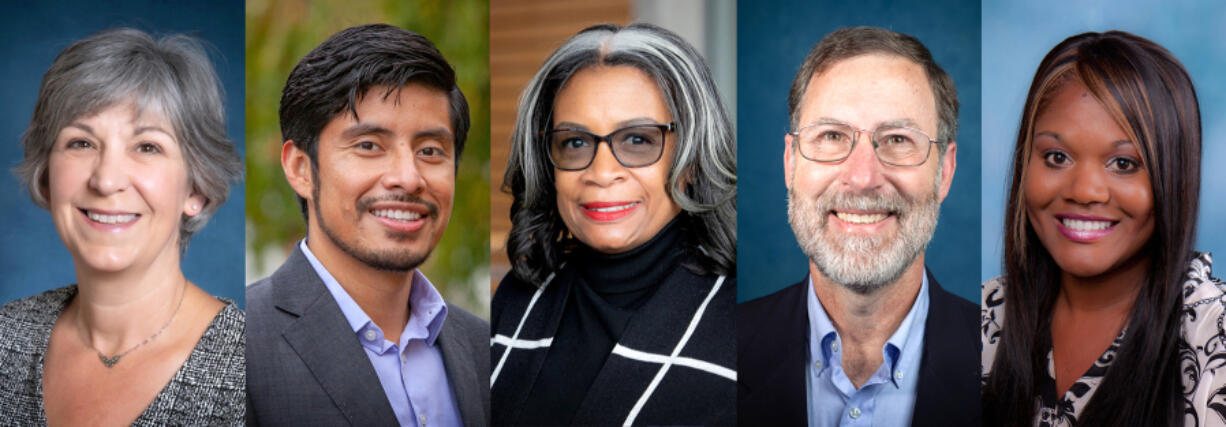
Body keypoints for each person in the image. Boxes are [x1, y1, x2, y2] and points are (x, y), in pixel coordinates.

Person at [489, 23, 736, 425]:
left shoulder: (743, 319)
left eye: (637, 140)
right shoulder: (516, 300)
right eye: (575, 142)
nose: (602, 173)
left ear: (690, 159)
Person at [245, 24, 488, 426]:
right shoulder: (241, 348)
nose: (408, 178)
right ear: (301, 169)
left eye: (430, 151)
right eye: (369, 146)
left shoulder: (482, 347)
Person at [736, 27, 980, 426]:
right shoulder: (724, 349)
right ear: (790, 163)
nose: (863, 177)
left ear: (946, 171)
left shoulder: (1001, 361)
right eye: (832, 136)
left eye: (898, 139)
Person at [0, 28, 244, 424]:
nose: (106, 179)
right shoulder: (6, 336)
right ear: (47, 175)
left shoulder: (249, 364)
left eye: (147, 146)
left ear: (196, 188)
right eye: (81, 143)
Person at [981, 31, 1224, 427]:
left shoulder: (1214, 337)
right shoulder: (980, 319)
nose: (1083, 191)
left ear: (1174, 177)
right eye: (1056, 157)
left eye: (1124, 163)